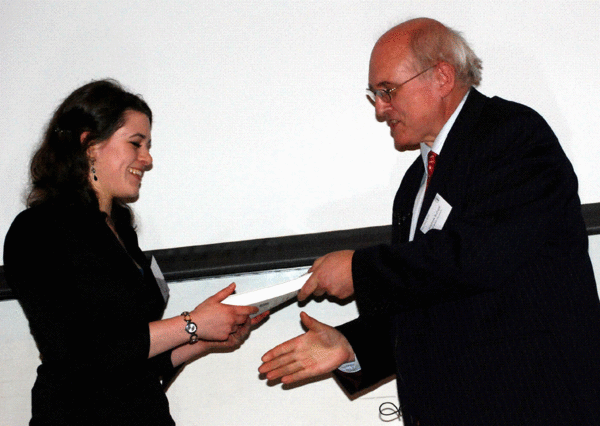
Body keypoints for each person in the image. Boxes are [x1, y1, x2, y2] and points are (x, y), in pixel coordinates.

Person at [259, 18, 600, 425]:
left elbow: (480, 257)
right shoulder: (414, 185)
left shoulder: (511, 134)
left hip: (533, 403)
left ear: (441, 76)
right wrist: (350, 346)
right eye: (375, 95)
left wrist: (359, 269)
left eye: (387, 91)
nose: (381, 109)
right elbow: (430, 299)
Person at [3, 79, 268, 425]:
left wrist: (206, 338)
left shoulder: (120, 231)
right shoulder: (37, 230)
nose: (147, 159)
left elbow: (132, 359)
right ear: (90, 144)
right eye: (136, 144)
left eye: (148, 145)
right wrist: (191, 324)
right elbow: (78, 354)